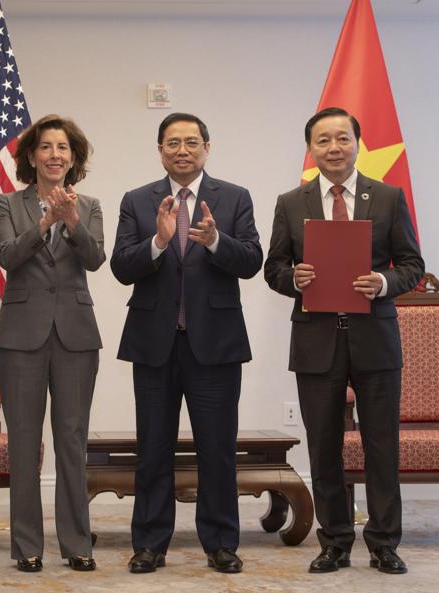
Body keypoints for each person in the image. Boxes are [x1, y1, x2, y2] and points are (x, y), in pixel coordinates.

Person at [264, 107, 425, 575]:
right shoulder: (291, 202)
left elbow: (412, 265)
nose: (333, 148)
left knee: (381, 446)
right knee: (324, 446)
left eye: (342, 139)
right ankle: (333, 542)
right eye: (322, 140)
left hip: (375, 339)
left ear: (357, 142)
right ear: (310, 149)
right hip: (316, 342)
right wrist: (293, 278)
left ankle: (384, 543)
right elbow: (273, 269)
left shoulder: (389, 198)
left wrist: (383, 282)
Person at [111, 113, 262, 574]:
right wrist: (157, 242)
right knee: (152, 448)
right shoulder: (138, 201)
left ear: (207, 148)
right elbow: (120, 266)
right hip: (154, 343)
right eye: (172, 142)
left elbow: (252, 260)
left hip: (215, 345)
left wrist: (217, 241)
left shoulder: (234, 198)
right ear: (160, 150)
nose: (182, 149)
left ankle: (220, 544)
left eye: (191, 142)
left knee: (217, 448)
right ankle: (150, 545)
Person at [0, 114, 105, 573]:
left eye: (63, 148)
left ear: (73, 158)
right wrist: (43, 225)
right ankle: (26, 546)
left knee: (72, 442)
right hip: (21, 336)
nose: (55, 155)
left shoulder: (91, 205)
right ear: (31, 157)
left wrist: (72, 221)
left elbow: (96, 259)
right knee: (23, 442)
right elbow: (6, 256)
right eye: (46, 147)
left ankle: (78, 544)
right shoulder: (7, 203)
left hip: (76, 336)